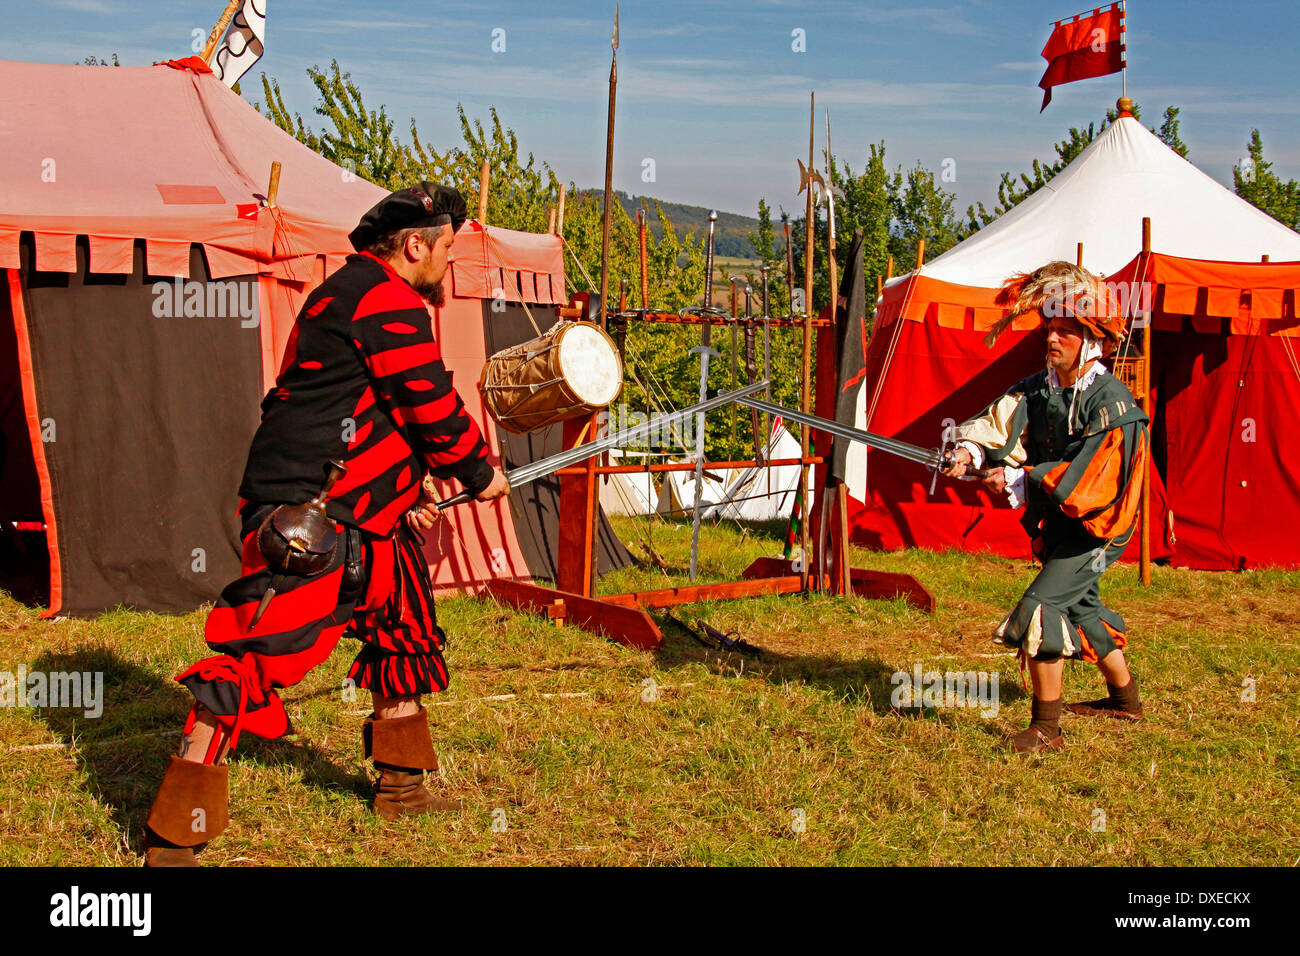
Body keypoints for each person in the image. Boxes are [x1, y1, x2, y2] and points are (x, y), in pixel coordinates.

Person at [142, 183, 509, 866]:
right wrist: (477, 470)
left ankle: (402, 787)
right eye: (447, 248)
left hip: (366, 510)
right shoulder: (383, 298)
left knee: (402, 629)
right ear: (415, 244)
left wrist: (407, 484)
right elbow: (428, 401)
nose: (449, 262)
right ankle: (174, 832)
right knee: (256, 656)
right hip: (314, 512)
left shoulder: (348, 292)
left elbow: (370, 406)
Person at [941, 261, 1148, 755]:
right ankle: (1126, 702)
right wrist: (968, 453)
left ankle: (1046, 729)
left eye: (1064, 332)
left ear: (1090, 342)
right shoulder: (1041, 386)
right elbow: (1002, 421)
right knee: (1083, 607)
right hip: (1060, 522)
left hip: (1099, 527)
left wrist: (1020, 478)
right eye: (1050, 329)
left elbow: (1091, 480)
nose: (1051, 338)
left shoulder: (1112, 402)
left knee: (1041, 606)